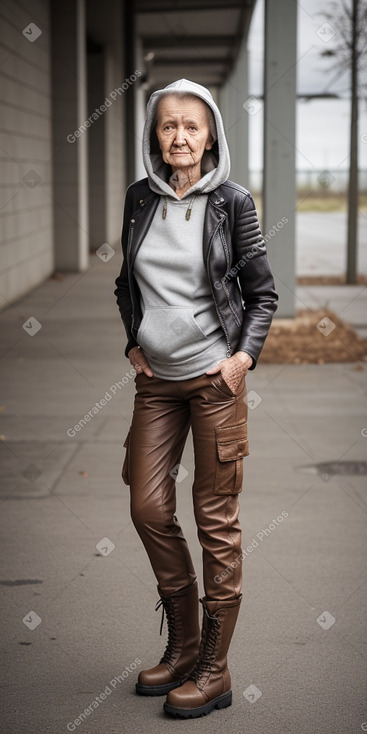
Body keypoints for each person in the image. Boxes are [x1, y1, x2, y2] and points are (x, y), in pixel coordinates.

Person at [114, 78, 278, 719]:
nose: (179, 137)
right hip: (155, 382)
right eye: (167, 126)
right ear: (154, 136)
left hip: (215, 382)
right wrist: (133, 344)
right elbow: (126, 281)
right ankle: (182, 647)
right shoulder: (138, 199)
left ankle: (215, 666)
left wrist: (240, 361)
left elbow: (263, 294)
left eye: (192, 126)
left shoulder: (233, 202)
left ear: (212, 135)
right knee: (147, 507)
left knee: (216, 520)